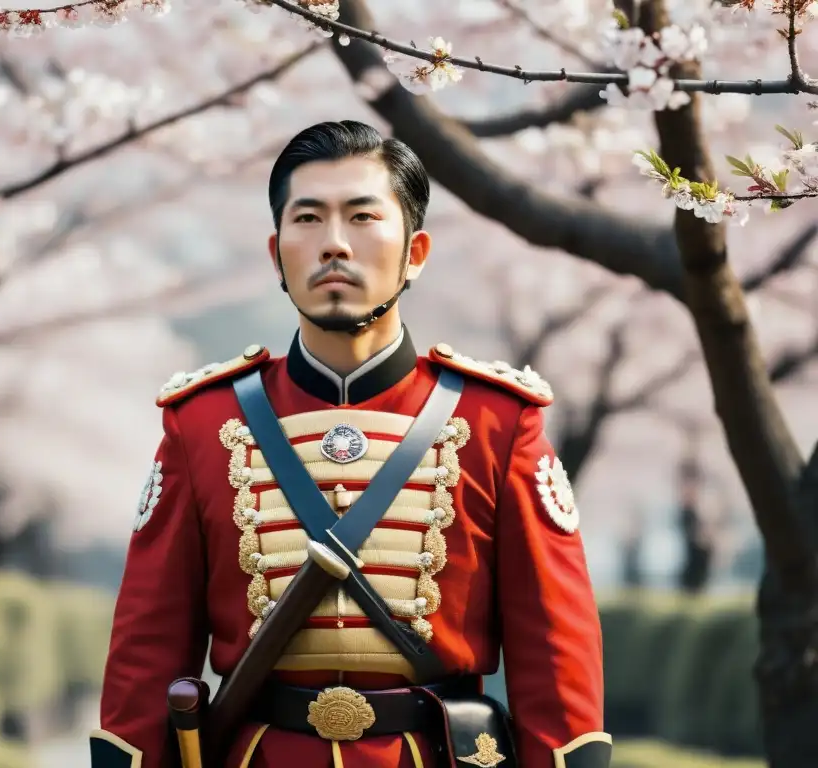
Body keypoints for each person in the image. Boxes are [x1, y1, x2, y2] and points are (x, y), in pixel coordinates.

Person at [90, 120, 610, 768]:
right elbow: (145, 659)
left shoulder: (499, 423)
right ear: (276, 252)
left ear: (415, 252)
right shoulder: (201, 423)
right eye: (308, 219)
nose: (334, 244)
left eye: (362, 217)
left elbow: (556, 669)